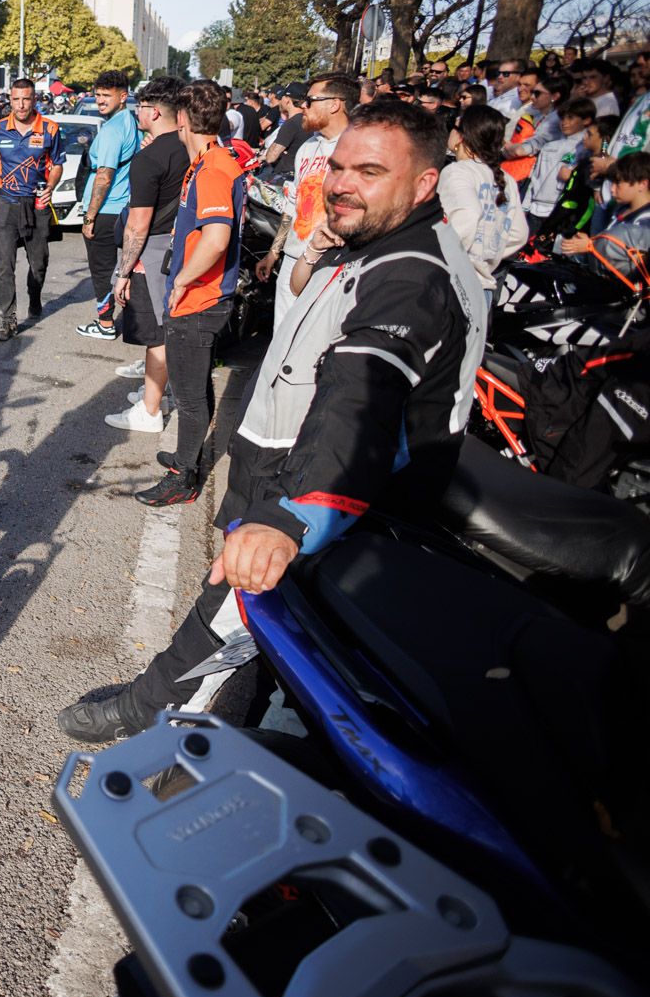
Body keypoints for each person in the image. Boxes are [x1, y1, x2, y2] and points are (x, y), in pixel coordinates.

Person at [61, 99, 486, 740]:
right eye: (339, 168)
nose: (343, 183)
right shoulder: (387, 237)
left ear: (425, 183)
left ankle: (149, 711)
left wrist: (290, 512)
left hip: (313, 479)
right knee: (278, 631)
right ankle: (251, 717)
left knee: (235, 607)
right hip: (287, 458)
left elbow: (358, 401)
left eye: (369, 172)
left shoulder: (409, 274)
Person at [134, 81, 246, 507]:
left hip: (199, 299)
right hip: (201, 296)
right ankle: (188, 456)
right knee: (194, 388)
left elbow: (216, 239)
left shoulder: (214, 168)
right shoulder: (209, 160)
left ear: (181, 119)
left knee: (188, 394)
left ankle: (184, 476)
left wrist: (181, 281)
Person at [106, 77, 186, 435]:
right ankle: (156, 393)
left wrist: (123, 272)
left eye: (140, 106)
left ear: (153, 111)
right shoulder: (188, 146)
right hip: (177, 246)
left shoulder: (150, 157)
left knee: (157, 333)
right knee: (162, 327)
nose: (136, 111)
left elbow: (138, 224)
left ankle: (150, 410)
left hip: (153, 253)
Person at [0, 77, 66, 341]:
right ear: (9, 100)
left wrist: (52, 186)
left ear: (34, 99)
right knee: (3, 265)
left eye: (26, 99)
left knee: (39, 264)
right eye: (16, 99)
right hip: (6, 204)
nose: (21, 105)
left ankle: (34, 296)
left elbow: (57, 164)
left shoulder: (50, 129)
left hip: (35, 205)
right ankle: (8, 319)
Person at [261, 72, 355, 329]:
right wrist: (274, 251)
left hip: (333, 263)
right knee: (283, 340)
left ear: (335, 104)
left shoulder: (356, 147)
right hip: (293, 260)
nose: (303, 105)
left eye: (310, 100)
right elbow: (293, 204)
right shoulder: (307, 147)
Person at [75, 70, 140, 341]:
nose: (100, 100)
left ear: (123, 96)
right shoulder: (130, 122)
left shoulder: (113, 129)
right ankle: (134, 320)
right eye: (98, 94)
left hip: (106, 211)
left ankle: (105, 323)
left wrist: (89, 217)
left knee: (101, 270)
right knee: (125, 268)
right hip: (122, 207)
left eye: (106, 96)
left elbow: (105, 174)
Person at [440, 105, 526, 302]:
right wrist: (486, 254)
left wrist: (450, 257)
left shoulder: (458, 172)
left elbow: (467, 217)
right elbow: (519, 234)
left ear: (462, 136)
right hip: (482, 290)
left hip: (451, 286)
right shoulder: (507, 179)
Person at [259, 83, 309, 181]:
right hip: (299, 175)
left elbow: (271, 157)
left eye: (281, 97)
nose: (279, 101)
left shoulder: (291, 123)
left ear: (287, 100)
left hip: (284, 178)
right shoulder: (307, 120)